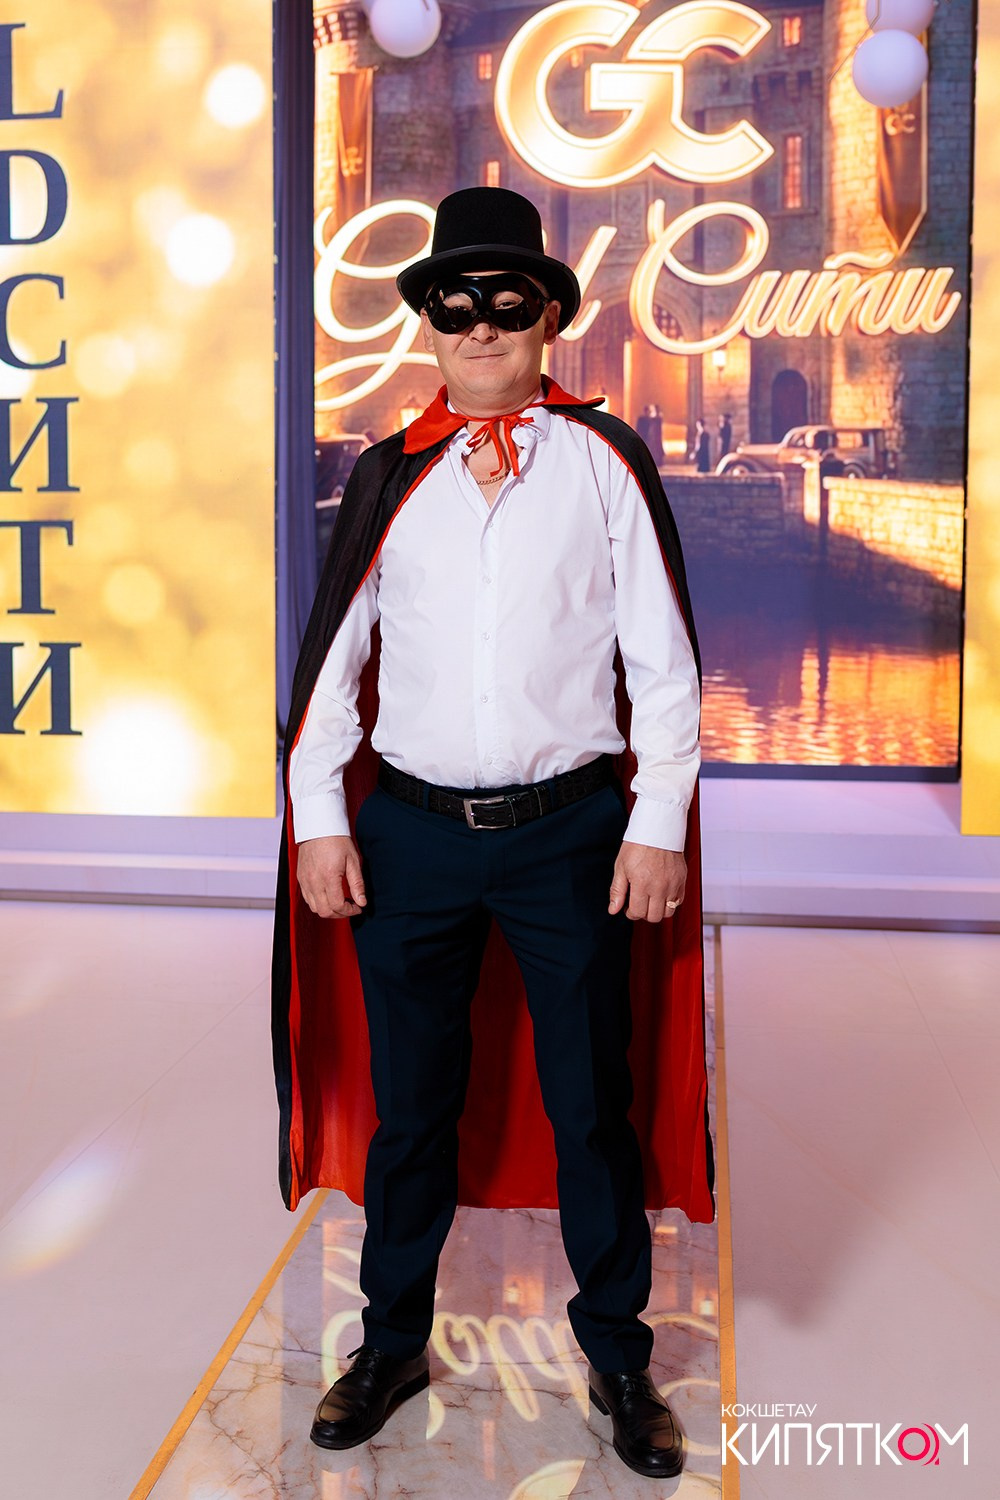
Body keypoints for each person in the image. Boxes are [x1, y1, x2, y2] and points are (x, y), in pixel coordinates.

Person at [270, 187, 714, 1481]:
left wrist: (658, 824)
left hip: (568, 834)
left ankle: (618, 1356)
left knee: (591, 1105)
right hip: (410, 836)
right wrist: (317, 816)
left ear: (547, 320)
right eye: (455, 304)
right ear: (429, 321)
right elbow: (334, 659)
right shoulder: (389, 474)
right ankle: (391, 1342)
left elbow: (665, 663)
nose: (480, 326)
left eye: (506, 304)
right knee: (412, 1108)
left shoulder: (605, 463)